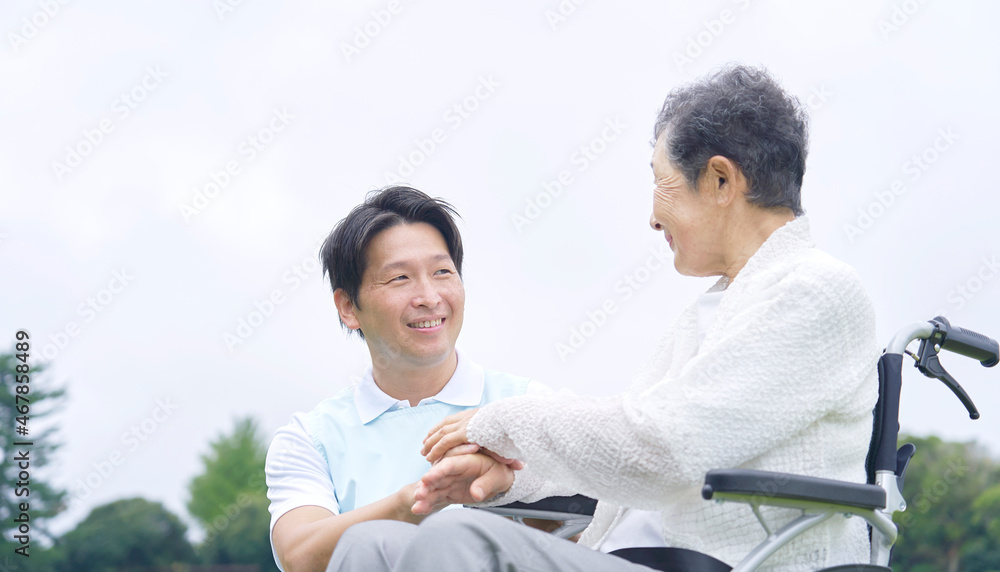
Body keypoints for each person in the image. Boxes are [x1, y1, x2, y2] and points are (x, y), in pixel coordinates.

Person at [328, 64, 882, 571]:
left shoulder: (814, 290)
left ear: (719, 181)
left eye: (659, 179)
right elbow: (629, 447)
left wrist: (500, 423)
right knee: (366, 544)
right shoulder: (716, 307)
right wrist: (508, 475)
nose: (651, 215)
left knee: (459, 539)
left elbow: (665, 448)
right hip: (628, 556)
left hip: (713, 561)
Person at [265, 186, 548, 572]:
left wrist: (506, 486)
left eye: (442, 272)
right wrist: (419, 500)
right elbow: (300, 556)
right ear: (348, 307)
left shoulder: (530, 405)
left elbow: (588, 537)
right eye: (400, 278)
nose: (430, 296)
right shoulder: (310, 439)